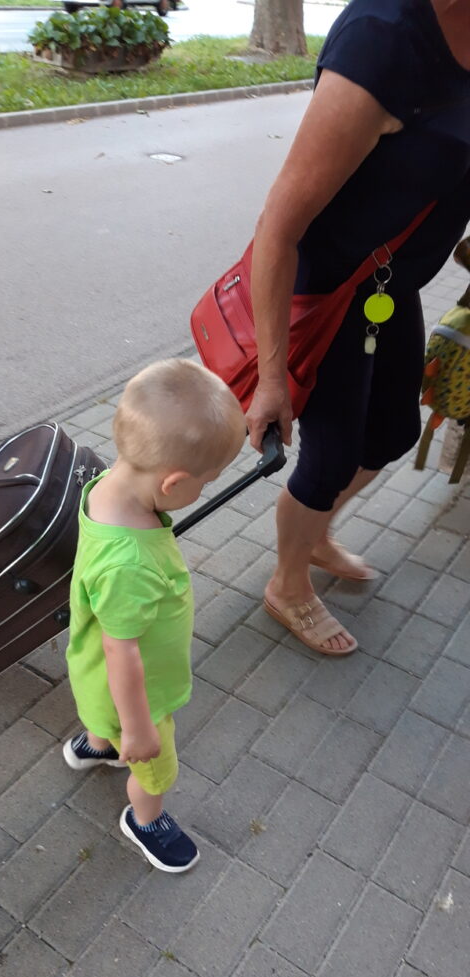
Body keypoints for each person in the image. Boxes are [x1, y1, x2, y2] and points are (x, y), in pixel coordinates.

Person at [246, 0, 470, 656]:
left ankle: (313, 533)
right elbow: (278, 229)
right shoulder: (383, 37)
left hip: (386, 287)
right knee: (331, 456)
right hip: (328, 287)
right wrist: (271, 379)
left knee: (394, 433)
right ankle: (287, 583)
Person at [63, 359, 245, 873]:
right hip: (136, 697)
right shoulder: (130, 564)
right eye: (206, 483)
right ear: (173, 483)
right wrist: (139, 728)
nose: (203, 491)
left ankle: (97, 744)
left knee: (99, 710)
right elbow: (123, 652)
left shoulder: (107, 487)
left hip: (92, 670)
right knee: (154, 767)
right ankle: (144, 820)